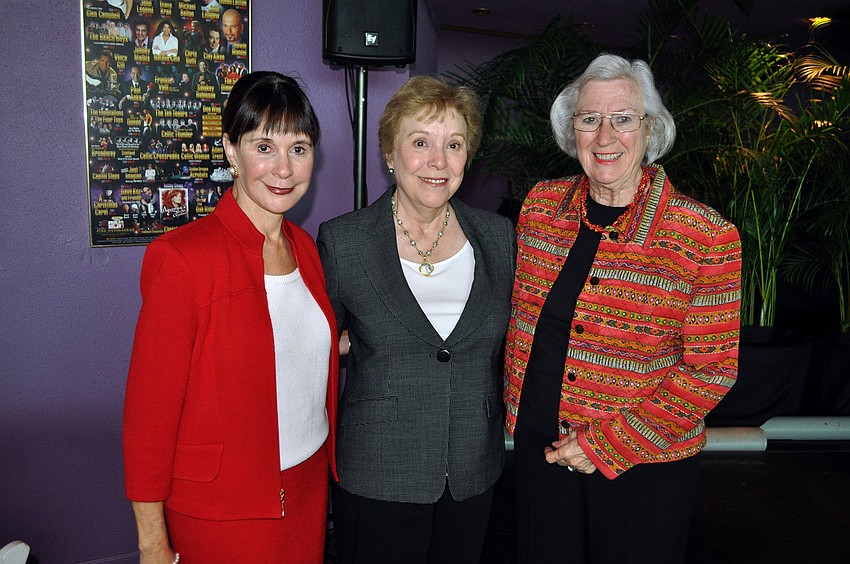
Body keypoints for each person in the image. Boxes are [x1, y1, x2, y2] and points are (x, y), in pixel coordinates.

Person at [504, 53, 742, 564]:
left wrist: (605, 445)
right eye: (589, 119)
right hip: (540, 451)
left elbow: (712, 371)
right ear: (571, 130)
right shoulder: (540, 208)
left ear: (650, 129)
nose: (604, 136)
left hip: (644, 468)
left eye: (623, 119)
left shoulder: (704, 235)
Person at [123, 71, 339, 562]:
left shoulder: (305, 248)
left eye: (299, 149)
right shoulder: (182, 258)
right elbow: (148, 419)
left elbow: (287, 341)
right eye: (264, 147)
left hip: (307, 488)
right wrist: (153, 543)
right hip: (223, 508)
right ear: (230, 150)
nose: (283, 168)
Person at [317, 75, 516, 564]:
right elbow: (314, 344)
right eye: (421, 142)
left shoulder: (499, 238)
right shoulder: (345, 242)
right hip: (378, 470)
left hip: (472, 469)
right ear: (390, 153)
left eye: (454, 145)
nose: (438, 161)